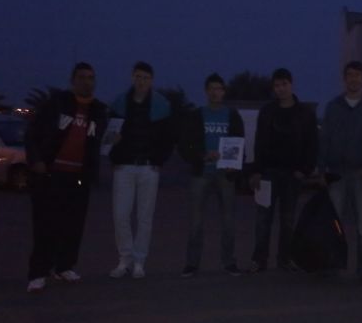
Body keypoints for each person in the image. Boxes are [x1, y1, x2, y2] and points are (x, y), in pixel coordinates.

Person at [25, 62, 108, 293]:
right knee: (45, 225)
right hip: (51, 174)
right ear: (73, 80)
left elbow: (98, 141)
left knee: (73, 225)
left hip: (78, 177)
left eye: (90, 77)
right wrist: (37, 160)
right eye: (81, 77)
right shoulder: (57, 103)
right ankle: (38, 273)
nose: (86, 82)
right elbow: (32, 134)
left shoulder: (98, 110)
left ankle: (64, 266)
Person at [318, 61, 362, 286]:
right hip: (336, 173)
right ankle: (331, 265)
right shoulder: (333, 106)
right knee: (334, 223)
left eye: (357, 75)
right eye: (349, 75)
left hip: (360, 174)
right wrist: (321, 169)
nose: (353, 79)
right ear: (344, 79)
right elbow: (324, 139)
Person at [249, 68, 318, 272]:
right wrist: (256, 171)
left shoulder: (305, 113)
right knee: (263, 220)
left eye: (284, 84)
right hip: (268, 173)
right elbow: (259, 142)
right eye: (277, 85)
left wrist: (304, 170)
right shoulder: (267, 111)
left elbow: (312, 144)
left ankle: (285, 259)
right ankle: (259, 260)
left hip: (292, 175)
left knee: (288, 220)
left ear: (291, 84)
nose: (280, 89)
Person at [108, 61, 173, 279]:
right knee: (121, 215)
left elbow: (168, 137)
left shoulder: (161, 105)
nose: (141, 81)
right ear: (132, 78)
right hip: (124, 166)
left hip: (148, 167)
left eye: (145, 77)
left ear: (151, 80)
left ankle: (139, 261)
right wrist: (114, 155)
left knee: (145, 217)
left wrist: (159, 160)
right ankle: (124, 258)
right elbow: (109, 133)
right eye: (138, 77)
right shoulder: (120, 103)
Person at [178, 73, 244, 277]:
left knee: (228, 221)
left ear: (224, 92)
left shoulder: (232, 115)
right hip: (201, 174)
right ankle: (192, 263)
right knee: (196, 221)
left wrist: (236, 165)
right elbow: (185, 145)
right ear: (206, 92)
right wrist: (202, 156)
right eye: (212, 89)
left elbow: (240, 143)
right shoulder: (196, 115)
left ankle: (228, 262)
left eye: (219, 89)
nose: (215, 92)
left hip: (225, 174)